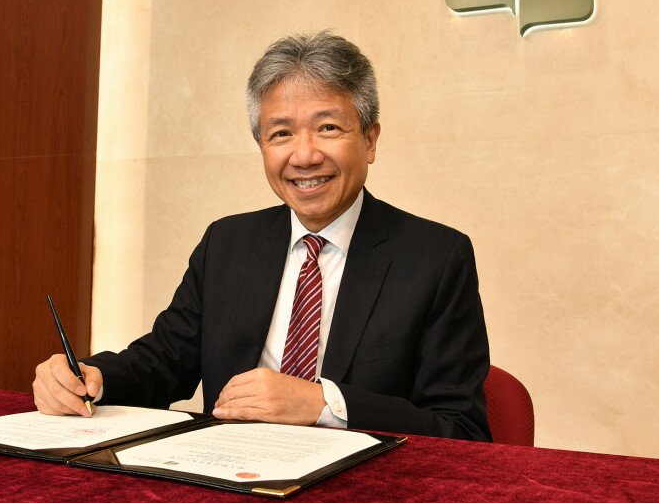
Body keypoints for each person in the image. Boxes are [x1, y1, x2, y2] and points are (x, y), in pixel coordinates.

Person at [33, 31, 491, 441]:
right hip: (230, 483)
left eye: (328, 127)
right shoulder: (227, 243)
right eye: (281, 133)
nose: (305, 155)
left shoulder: (435, 257)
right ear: (262, 147)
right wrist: (88, 376)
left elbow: (461, 429)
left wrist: (324, 404)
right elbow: (162, 362)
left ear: (370, 140)